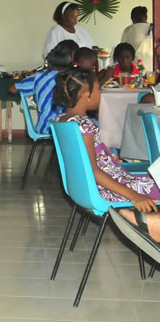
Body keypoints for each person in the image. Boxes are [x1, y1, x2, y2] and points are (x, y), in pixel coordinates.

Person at [53, 66, 159, 231]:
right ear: (86, 94)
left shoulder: (62, 120)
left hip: (86, 188)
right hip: (106, 189)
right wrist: (134, 196)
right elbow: (94, 172)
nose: (100, 93)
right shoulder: (84, 125)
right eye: (98, 89)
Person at [12, 42, 74, 134]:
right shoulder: (75, 78)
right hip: (68, 129)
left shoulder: (39, 77)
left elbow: (13, 88)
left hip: (45, 126)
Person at [121, 6, 152, 73]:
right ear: (146, 17)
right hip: (153, 66)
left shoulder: (128, 30)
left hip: (135, 68)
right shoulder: (154, 28)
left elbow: (122, 49)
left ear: (133, 19)